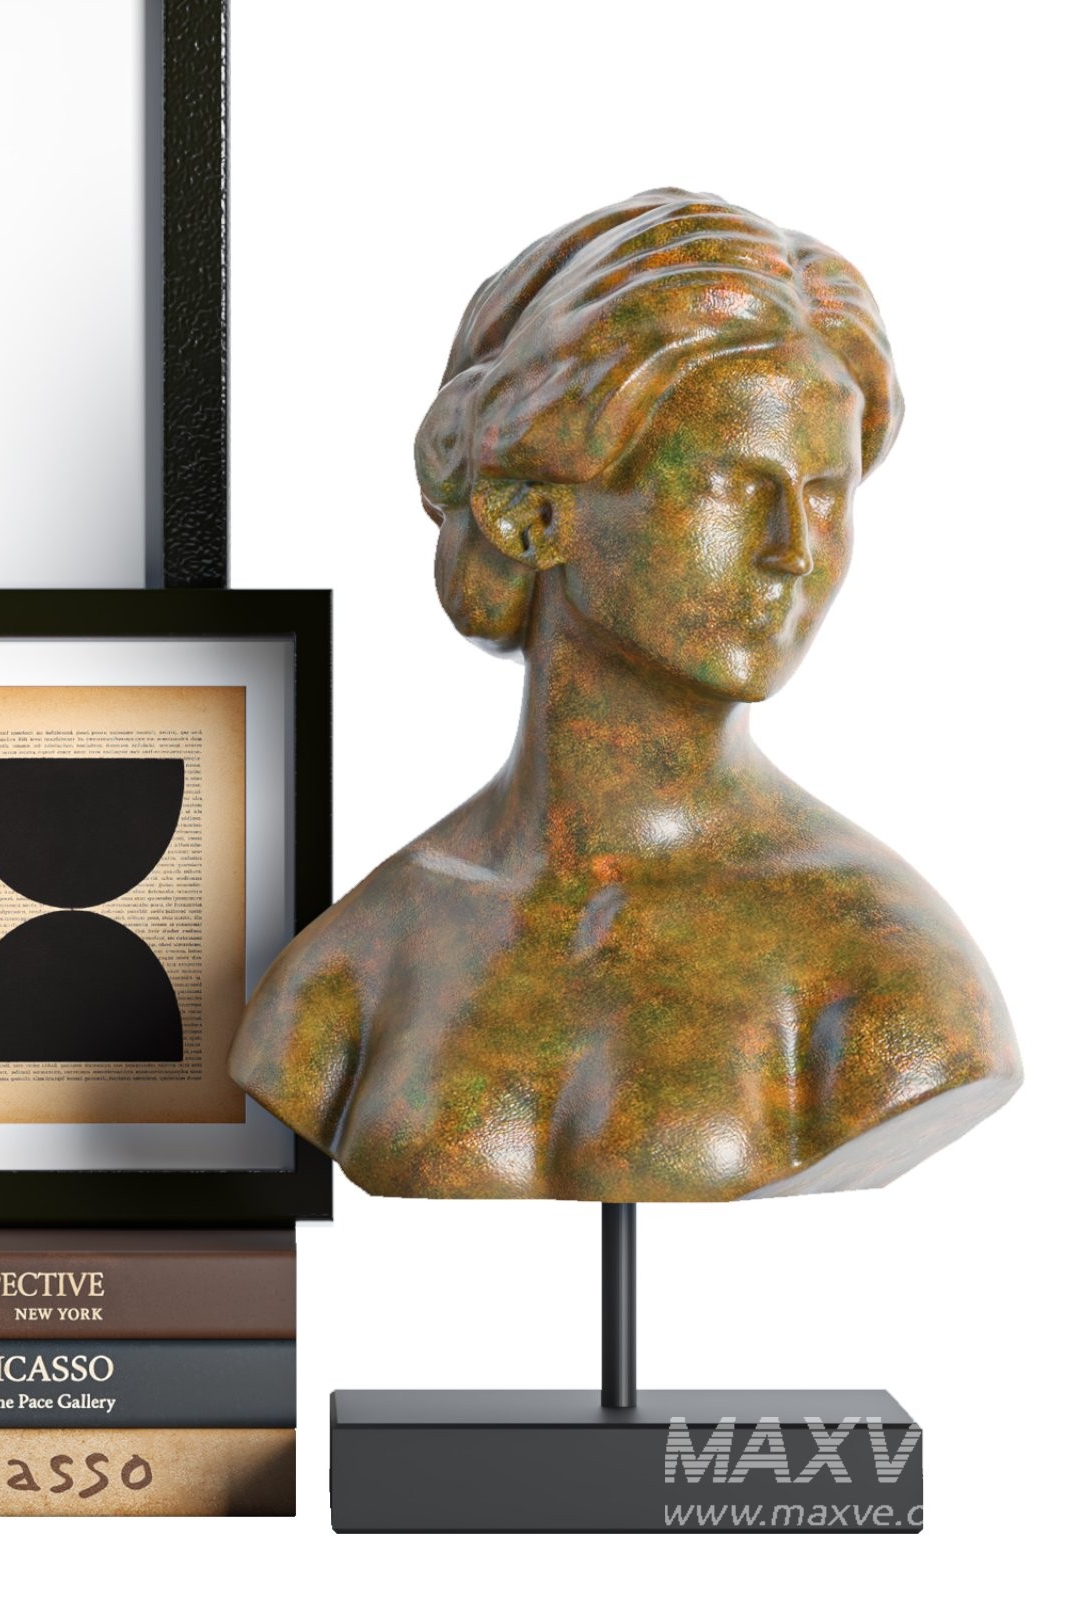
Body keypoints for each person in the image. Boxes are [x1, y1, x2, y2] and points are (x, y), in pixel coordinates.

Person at [230, 190, 1021, 1201]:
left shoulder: (891, 974)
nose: (793, 549)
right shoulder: (355, 969)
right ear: (528, 512)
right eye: (733, 483)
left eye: (825, 493)